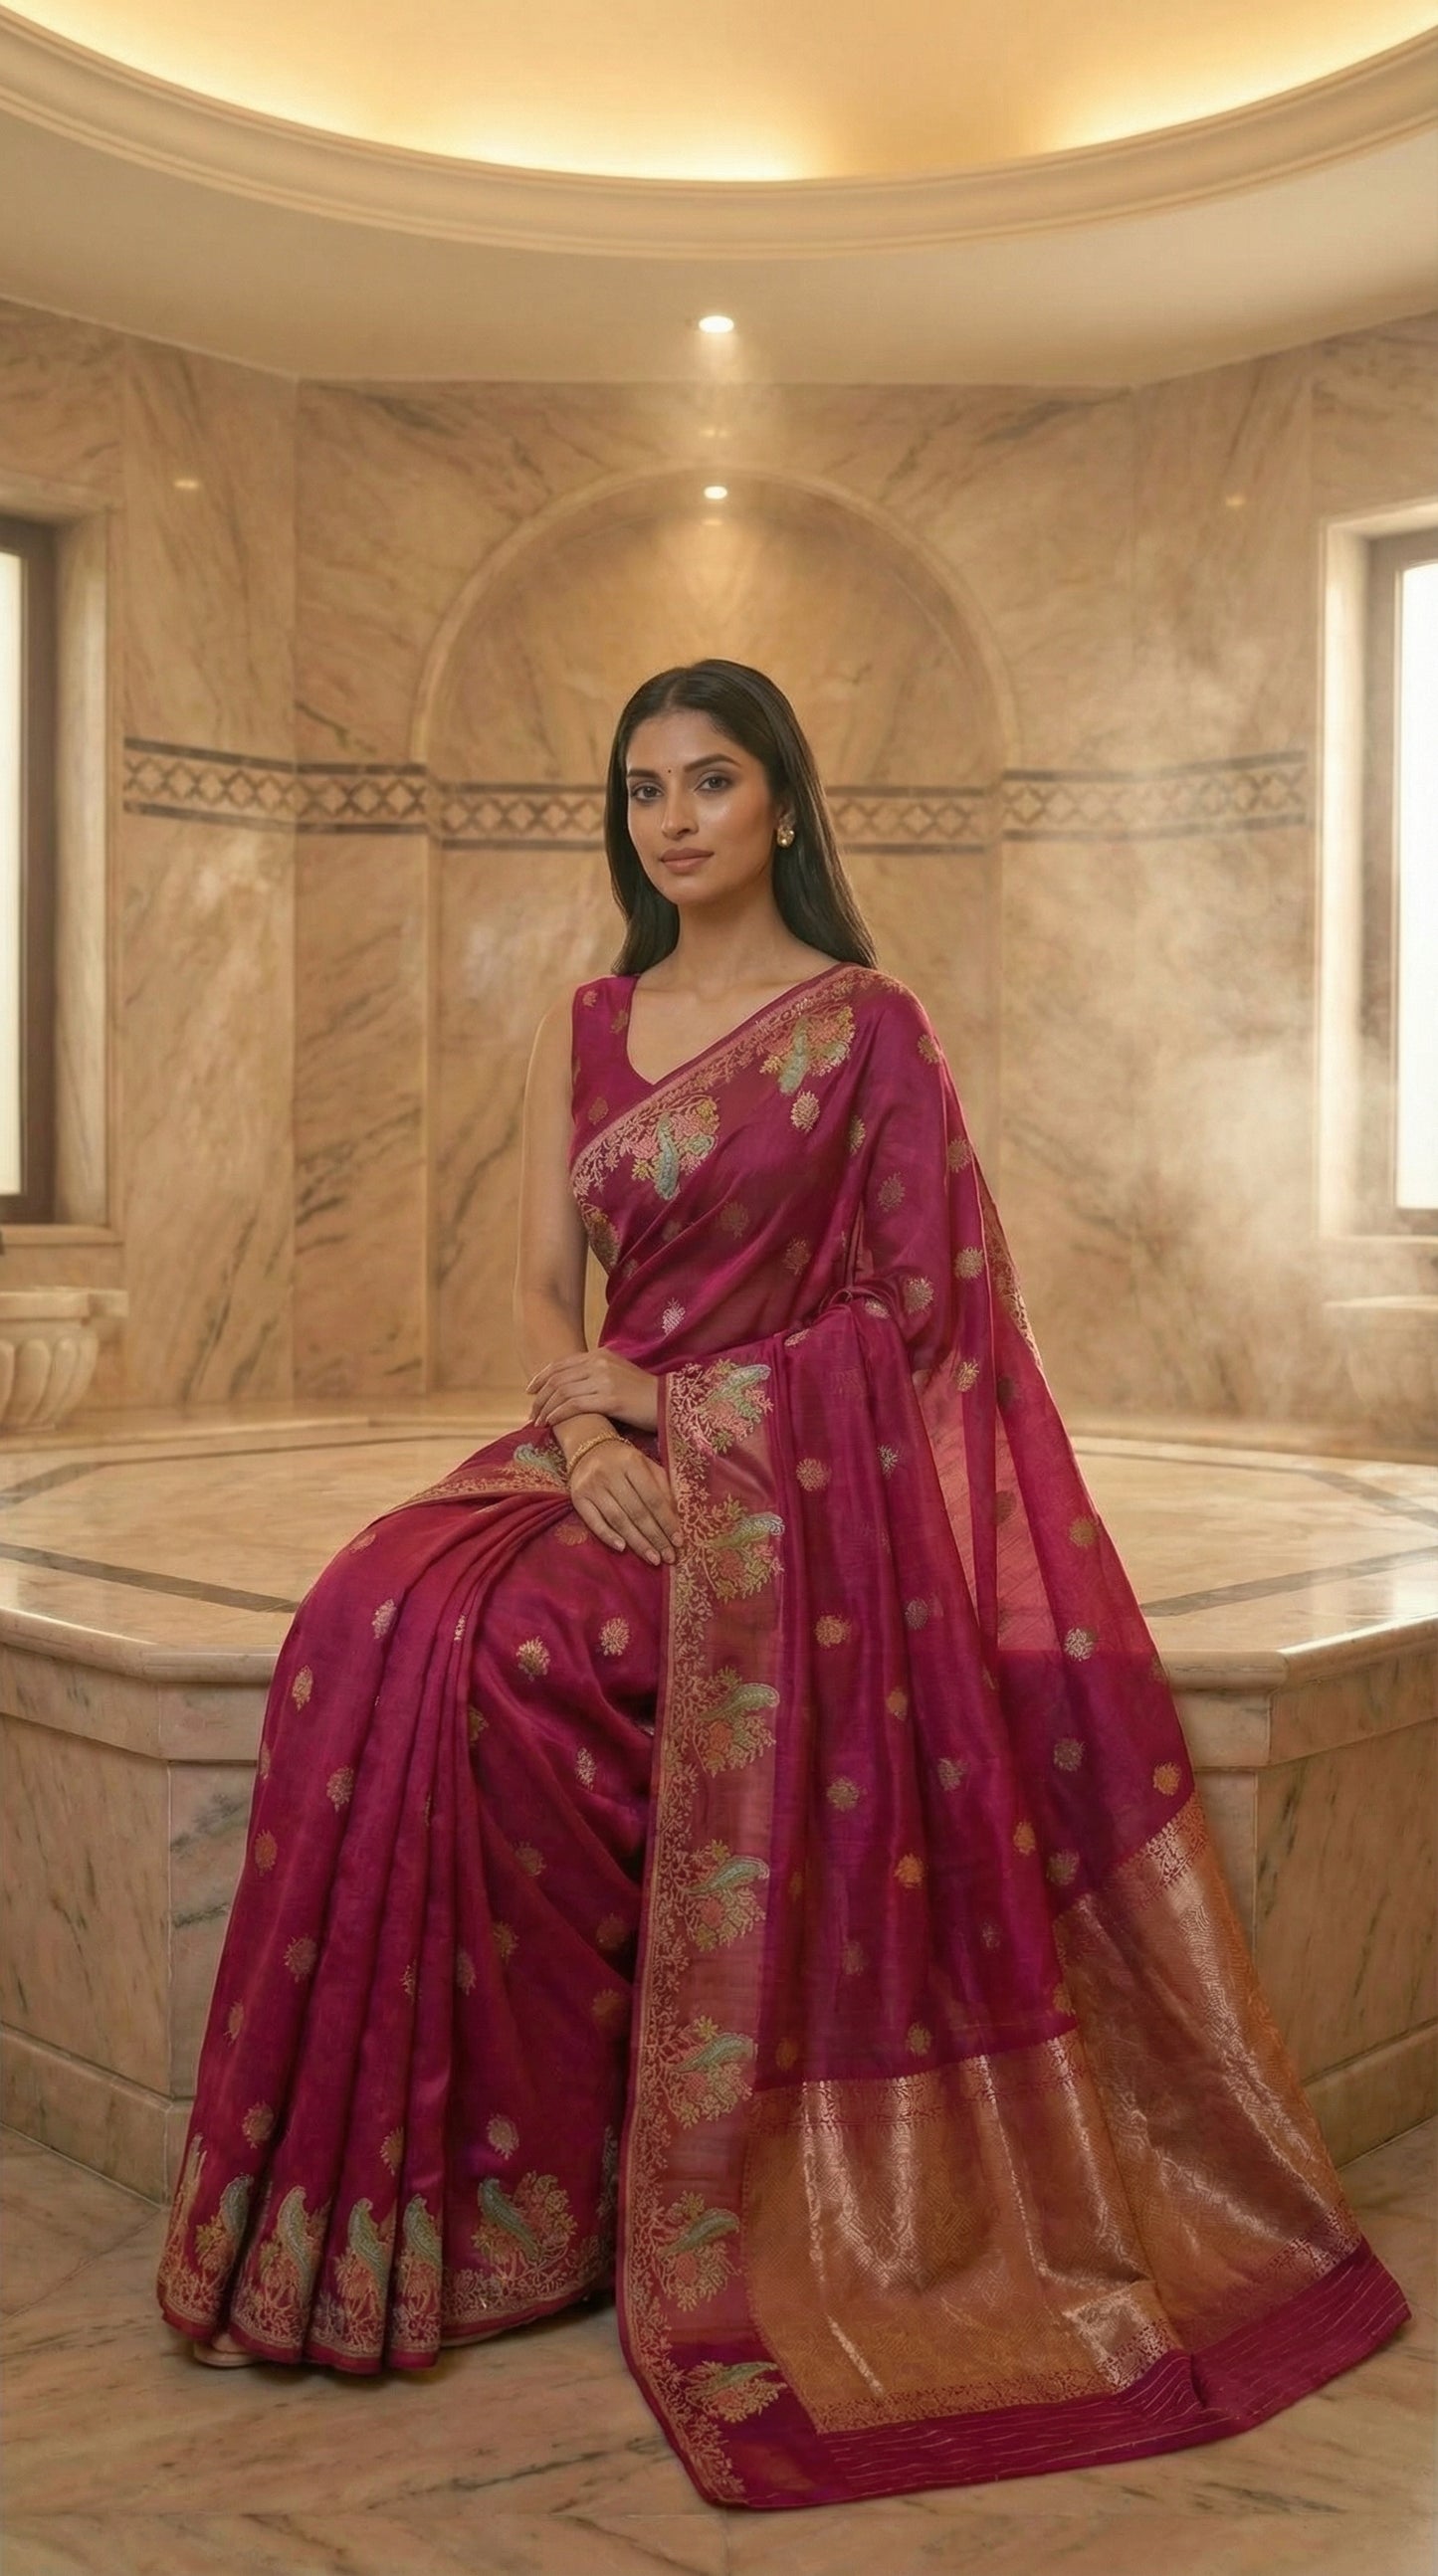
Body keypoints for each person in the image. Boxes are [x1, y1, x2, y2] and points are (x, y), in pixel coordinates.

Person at [157, 658, 1408, 2510]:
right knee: (375, 1609)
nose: (673, 817)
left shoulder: (865, 1030)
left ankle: (602, 2179)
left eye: (710, 781)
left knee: (508, 1656)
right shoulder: (585, 1015)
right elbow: (531, 1292)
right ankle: (441, 2197)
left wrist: (684, 1413)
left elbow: (925, 1326)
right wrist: (585, 1438)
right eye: (644, 786)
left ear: (784, 805)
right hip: (597, 1453)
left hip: (784, 1502)